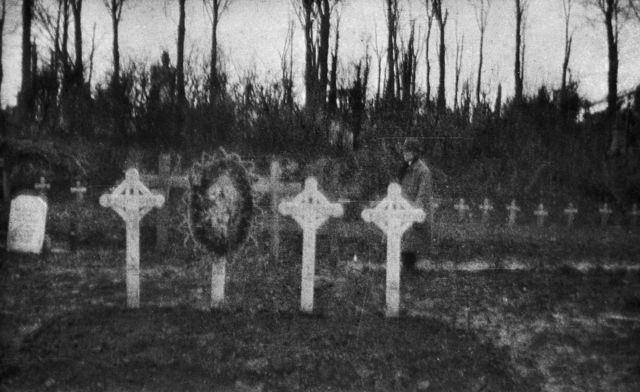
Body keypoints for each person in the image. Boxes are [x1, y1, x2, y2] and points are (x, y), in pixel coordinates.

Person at [398, 137, 433, 273]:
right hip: (404, 209)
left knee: (411, 245)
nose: (405, 154)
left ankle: (411, 272)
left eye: (408, 151)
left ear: (415, 153)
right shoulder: (405, 167)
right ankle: (406, 271)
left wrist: (413, 212)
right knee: (403, 243)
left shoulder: (423, 171)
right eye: (404, 151)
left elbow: (423, 195)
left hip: (415, 211)